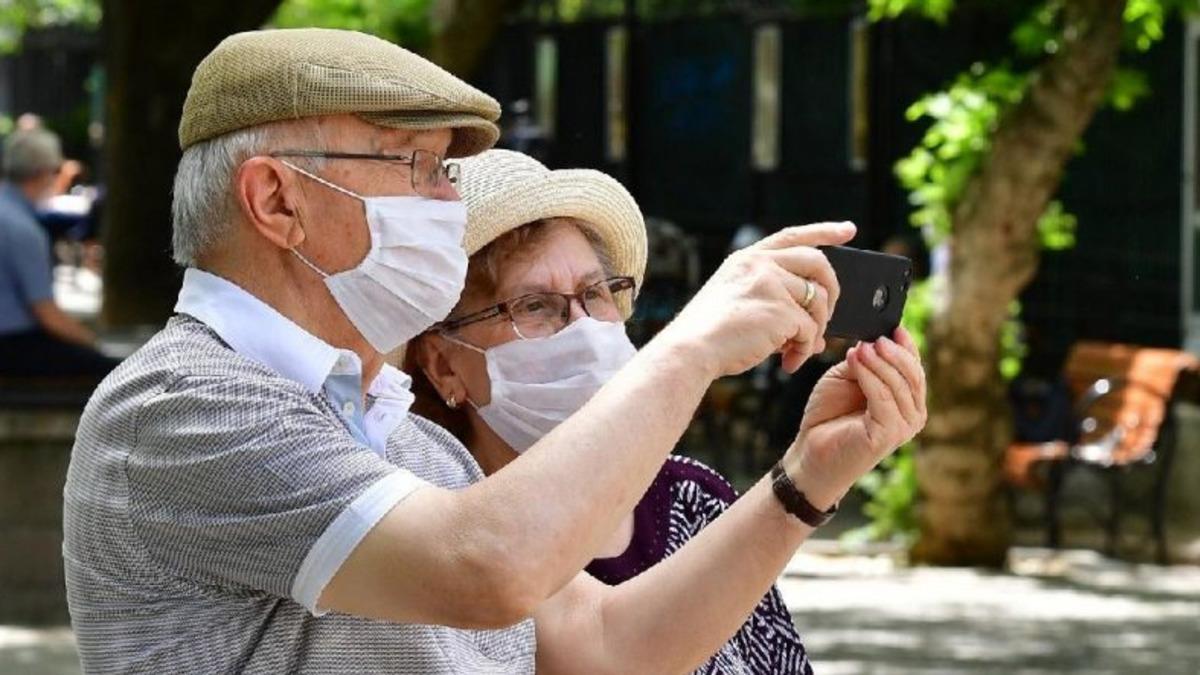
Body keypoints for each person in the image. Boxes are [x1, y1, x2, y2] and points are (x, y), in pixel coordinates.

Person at [63, 28, 926, 674]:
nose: (447, 202)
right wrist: (690, 347)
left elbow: (604, 643)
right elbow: (483, 567)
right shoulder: (182, 405)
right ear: (276, 201)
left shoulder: (411, 442)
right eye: (417, 166)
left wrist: (805, 478)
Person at [406, 149, 812, 673]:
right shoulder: (430, 523)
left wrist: (821, 461)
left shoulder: (693, 498)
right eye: (534, 306)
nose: (582, 327)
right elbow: (603, 645)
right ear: (442, 365)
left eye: (595, 294)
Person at [0, 127, 119, 379]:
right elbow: (48, 315)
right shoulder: (24, 230)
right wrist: (92, 341)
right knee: (111, 372)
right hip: (13, 344)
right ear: (44, 173)